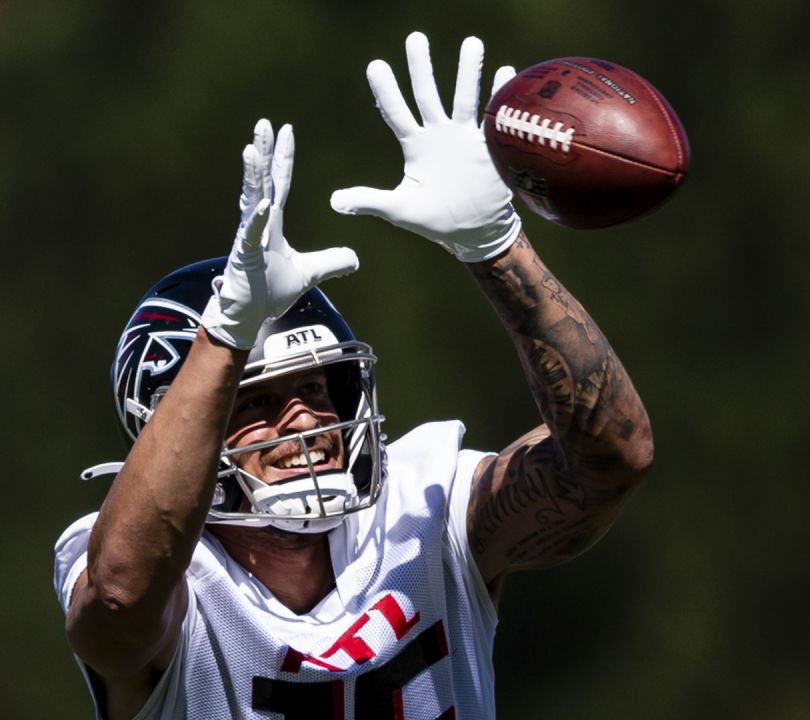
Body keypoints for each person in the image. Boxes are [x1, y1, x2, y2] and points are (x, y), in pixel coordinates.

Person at [53, 31, 653, 720]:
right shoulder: (157, 572)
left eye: (315, 388)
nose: (305, 418)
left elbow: (611, 458)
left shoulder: (424, 512)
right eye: (257, 404)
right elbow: (121, 597)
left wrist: (495, 246)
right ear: (175, 421)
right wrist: (225, 337)